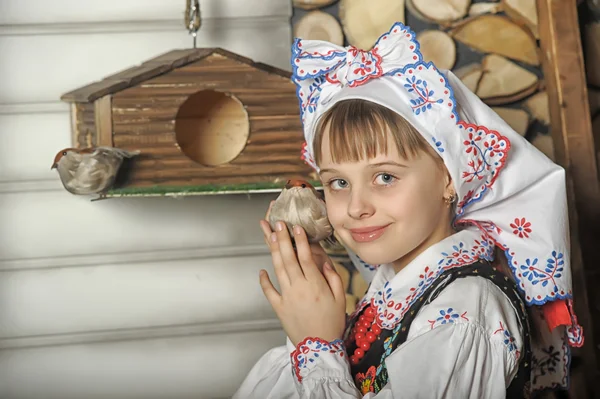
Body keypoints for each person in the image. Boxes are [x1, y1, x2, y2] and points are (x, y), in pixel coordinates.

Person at [233, 21, 584, 398]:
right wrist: (311, 317)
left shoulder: (466, 312)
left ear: (450, 177)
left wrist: (317, 344)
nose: (355, 207)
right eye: (338, 182)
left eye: (385, 177)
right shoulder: (396, 292)